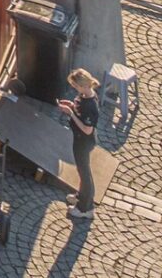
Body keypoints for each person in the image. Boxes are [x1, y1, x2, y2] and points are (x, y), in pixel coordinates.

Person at [60, 68, 100, 218]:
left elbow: (87, 129)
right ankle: (81, 196)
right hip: (78, 139)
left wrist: (70, 113)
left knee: (84, 173)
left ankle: (85, 208)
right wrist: (71, 106)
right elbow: (79, 110)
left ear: (83, 85)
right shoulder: (85, 95)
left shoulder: (91, 105)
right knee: (82, 171)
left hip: (84, 141)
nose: (75, 89)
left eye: (76, 86)